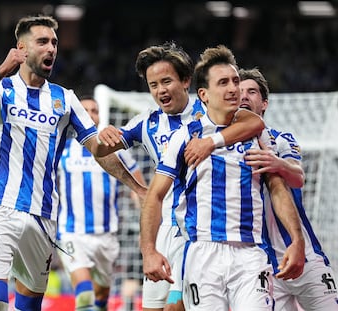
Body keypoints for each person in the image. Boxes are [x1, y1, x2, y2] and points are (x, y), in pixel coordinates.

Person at [0, 15, 146, 311]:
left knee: (29, 305)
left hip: (43, 217)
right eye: (43, 42)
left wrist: (138, 187)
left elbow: (99, 150)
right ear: (21, 48)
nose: (52, 49)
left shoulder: (65, 99)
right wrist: (0, 71)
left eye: (55, 43)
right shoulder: (4, 88)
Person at [96, 41, 266, 311]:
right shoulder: (146, 122)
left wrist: (211, 142)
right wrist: (137, 186)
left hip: (199, 231)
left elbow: (253, 122)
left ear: (186, 81)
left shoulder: (210, 109)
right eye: (153, 85)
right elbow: (101, 151)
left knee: (177, 307)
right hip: (165, 227)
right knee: (153, 307)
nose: (160, 90)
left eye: (166, 81)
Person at [139, 44, 306, 311]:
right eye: (223, 83)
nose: (233, 89)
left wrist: (297, 241)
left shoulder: (258, 134)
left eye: (236, 81)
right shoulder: (185, 137)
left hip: (250, 253)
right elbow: (155, 195)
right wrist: (149, 251)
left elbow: (277, 188)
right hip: (203, 253)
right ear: (203, 94)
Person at [240, 68, 338, 311]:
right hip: (263, 265)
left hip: (304, 256)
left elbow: (298, 177)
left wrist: (278, 164)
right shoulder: (226, 146)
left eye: (252, 92)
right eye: (240, 91)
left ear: (264, 103)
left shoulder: (281, 139)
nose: (244, 96)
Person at [56, 96, 146, 311]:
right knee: (85, 293)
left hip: (107, 236)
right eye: (84, 109)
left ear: (99, 116)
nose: (89, 113)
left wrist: (146, 225)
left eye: (94, 110)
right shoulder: (62, 150)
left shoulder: (116, 150)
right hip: (72, 233)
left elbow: (139, 189)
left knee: (102, 295)